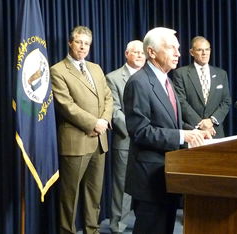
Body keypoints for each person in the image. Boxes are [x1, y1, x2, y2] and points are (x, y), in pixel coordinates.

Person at [123, 27, 212, 234]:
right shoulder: (139, 83)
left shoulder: (166, 80)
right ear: (152, 52)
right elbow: (140, 131)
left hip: (169, 175)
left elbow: (170, 123)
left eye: (178, 49)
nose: (178, 54)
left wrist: (195, 130)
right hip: (149, 180)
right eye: (172, 48)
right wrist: (183, 136)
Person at [50, 26, 113, 234]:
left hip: (99, 141)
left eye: (86, 43)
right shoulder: (57, 70)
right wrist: (93, 123)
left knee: (93, 194)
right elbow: (66, 105)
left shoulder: (95, 68)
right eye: (79, 42)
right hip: (75, 142)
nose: (83, 47)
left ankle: (92, 230)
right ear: (70, 43)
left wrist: (103, 120)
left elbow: (108, 97)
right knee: (70, 196)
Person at [106, 40, 146, 233]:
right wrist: (136, 129)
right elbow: (114, 110)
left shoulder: (150, 77)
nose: (139, 55)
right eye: (135, 52)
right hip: (126, 139)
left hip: (149, 141)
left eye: (142, 53)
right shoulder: (113, 78)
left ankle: (144, 221)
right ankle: (117, 225)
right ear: (126, 54)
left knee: (147, 183)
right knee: (122, 185)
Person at [172, 36, 231, 138]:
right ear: (191, 52)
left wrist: (212, 120)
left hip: (215, 132)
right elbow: (180, 101)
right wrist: (200, 123)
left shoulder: (221, 74)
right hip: (192, 132)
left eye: (207, 49)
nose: (204, 53)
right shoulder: (181, 73)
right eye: (200, 50)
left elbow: (226, 101)